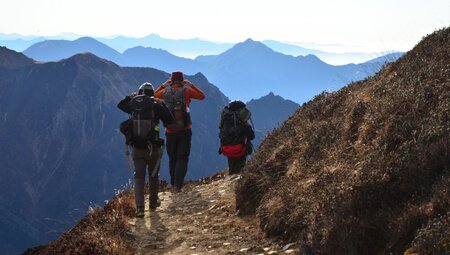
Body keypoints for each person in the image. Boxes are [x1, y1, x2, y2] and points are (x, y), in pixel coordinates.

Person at [118, 82, 174, 217]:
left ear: (139, 93)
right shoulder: (156, 105)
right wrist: (162, 103)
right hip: (153, 147)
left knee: (139, 177)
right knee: (153, 175)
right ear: (152, 94)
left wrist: (130, 97)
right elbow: (170, 120)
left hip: (137, 147)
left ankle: (140, 209)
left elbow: (120, 105)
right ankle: (153, 203)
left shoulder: (133, 105)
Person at [154, 71, 205, 192]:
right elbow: (202, 96)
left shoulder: (165, 92)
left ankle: (173, 184)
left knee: (173, 157)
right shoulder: (186, 91)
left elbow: (154, 95)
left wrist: (163, 85)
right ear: (182, 81)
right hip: (185, 129)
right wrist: (191, 84)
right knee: (182, 157)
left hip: (170, 130)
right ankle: (178, 185)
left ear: (171, 81)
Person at [219, 100, 255, 175]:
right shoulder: (243, 122)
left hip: (227, 149)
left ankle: (230, 178)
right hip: (240, 149)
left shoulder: (225, 120)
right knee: (239, 172)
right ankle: (236, 184)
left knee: (232, 169)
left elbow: (221, 134)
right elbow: (252, 136)